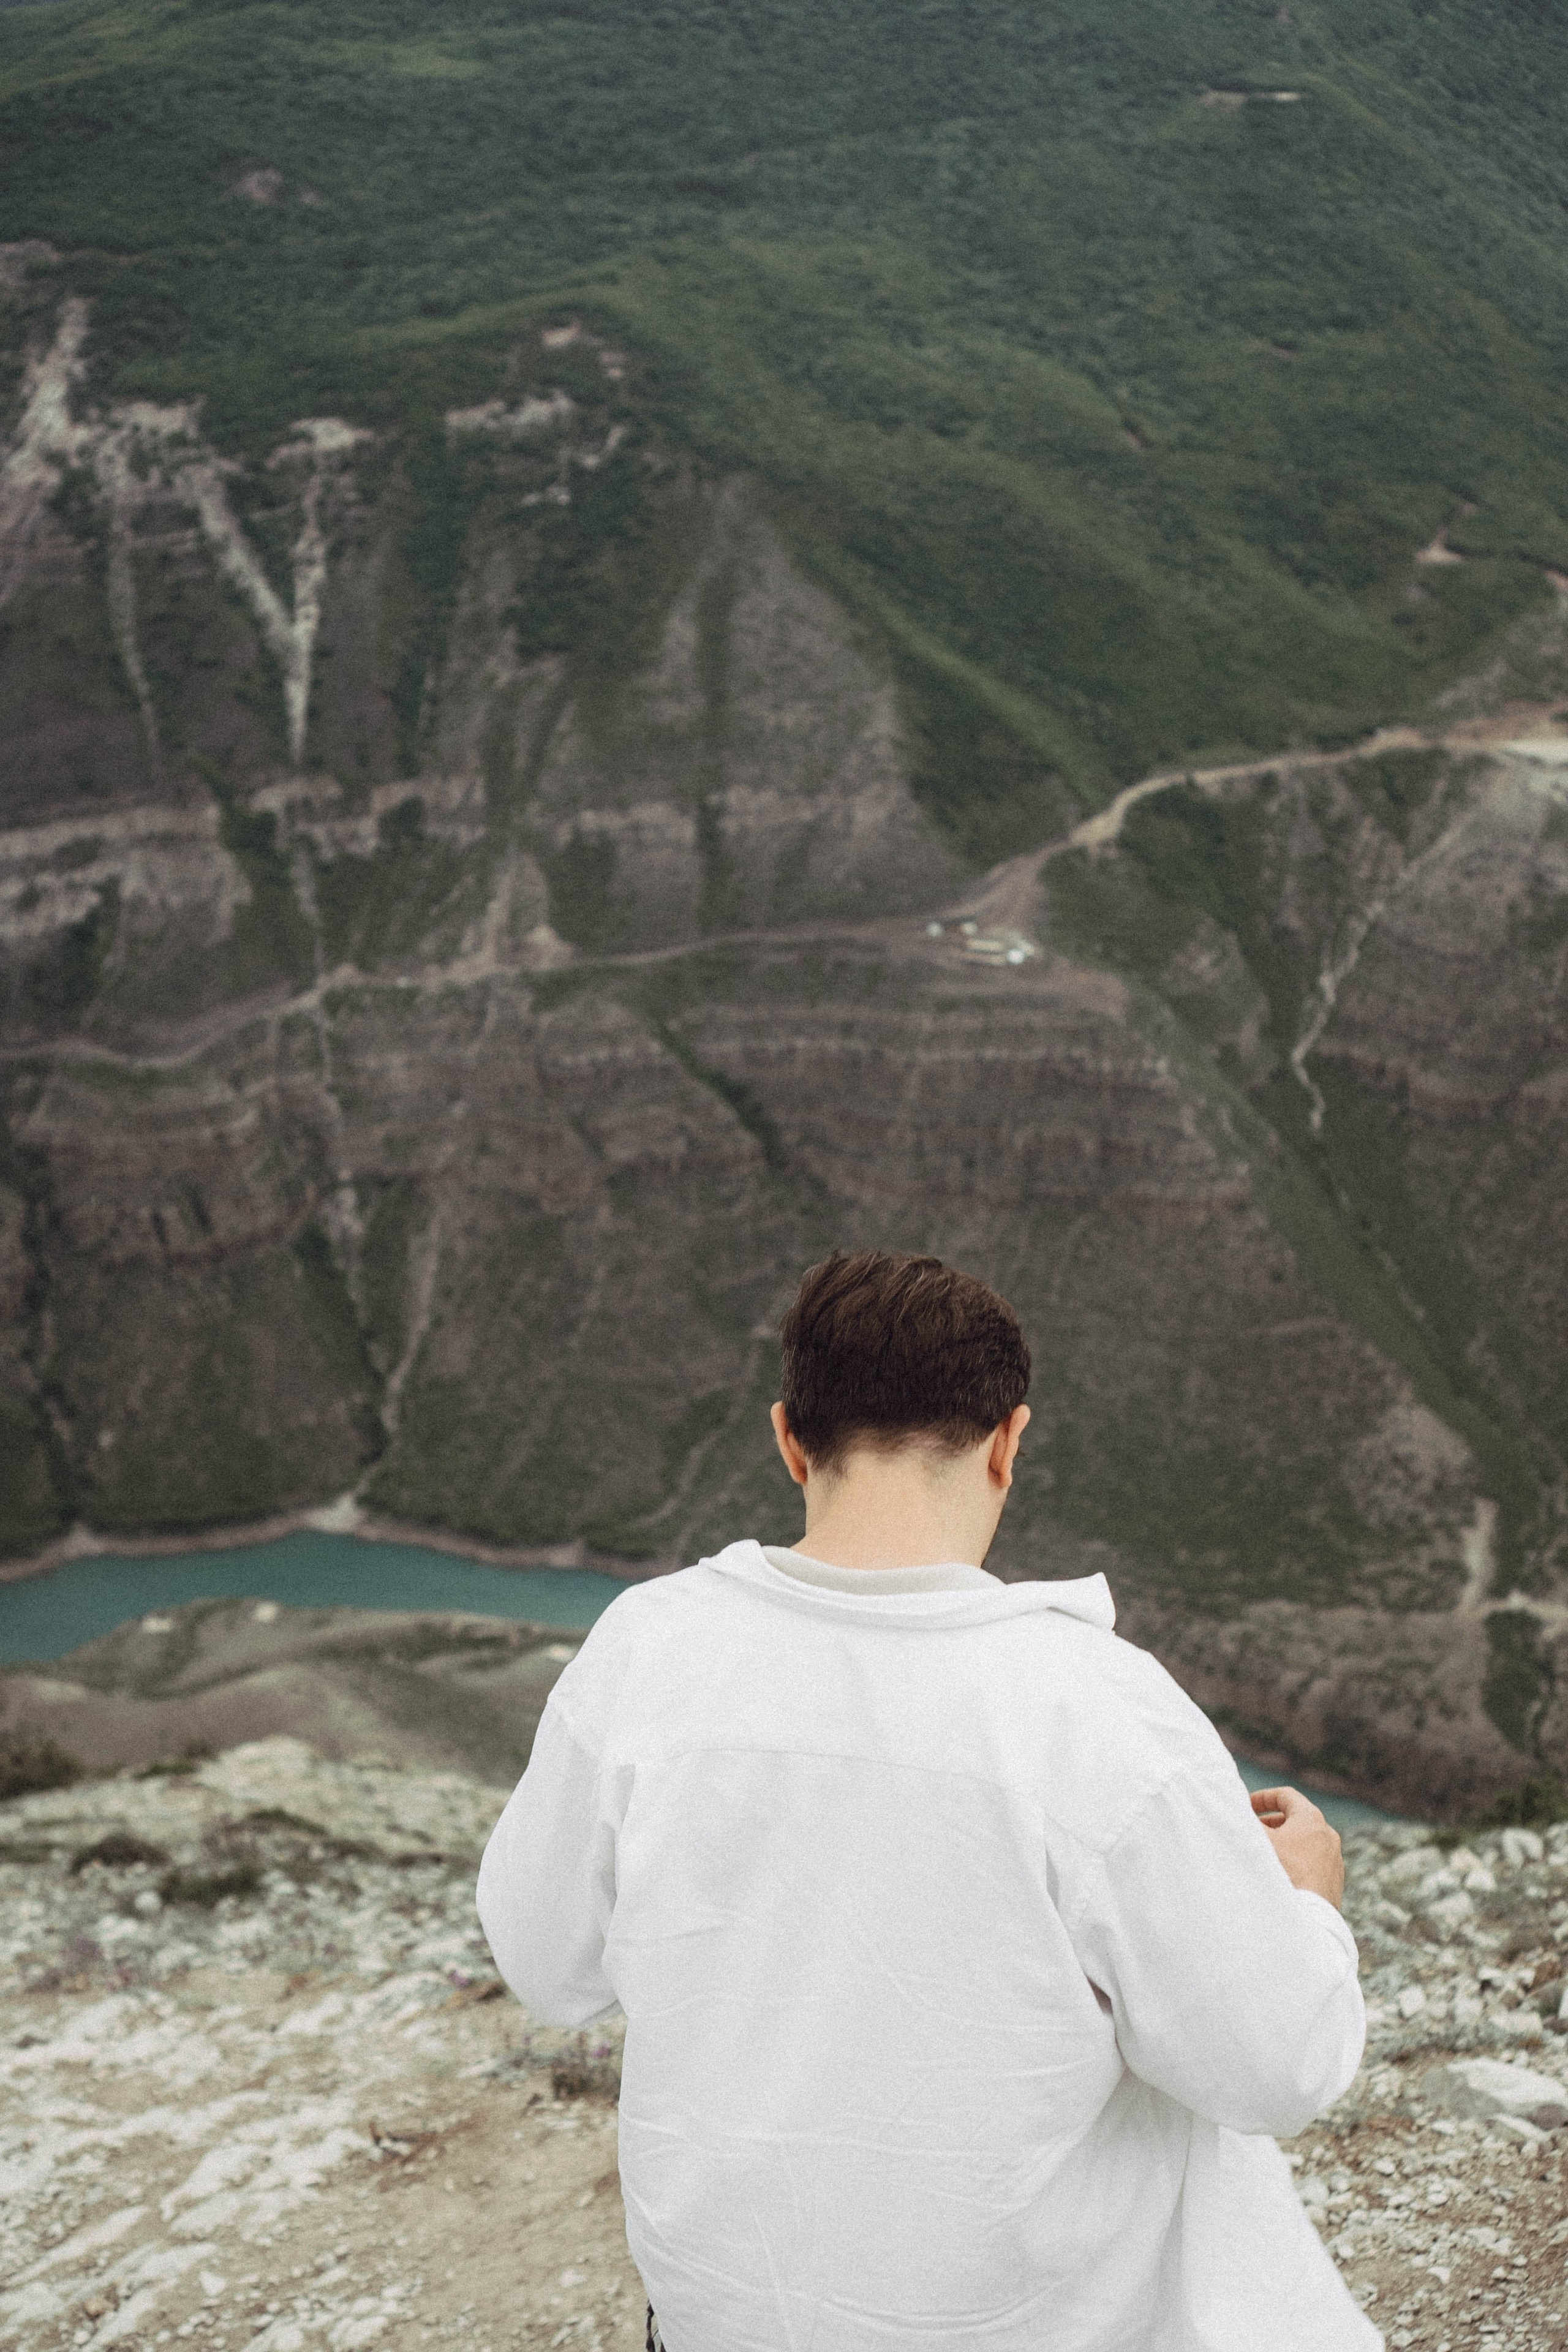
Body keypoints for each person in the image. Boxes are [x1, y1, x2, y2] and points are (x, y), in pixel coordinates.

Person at [477, 1250, 1378, 2351]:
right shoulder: (1099, 1709)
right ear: (1008, 1443)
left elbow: (543, 1963)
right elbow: (1279, 2067)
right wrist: (1304, 1904)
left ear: (790, 1438)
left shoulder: (645, 1652)